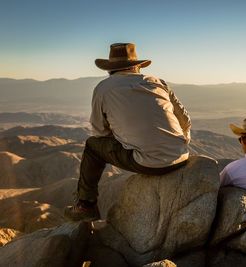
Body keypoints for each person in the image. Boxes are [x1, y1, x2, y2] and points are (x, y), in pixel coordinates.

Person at [65, 43, 191, 221]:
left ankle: (86, 206)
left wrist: (124, 133)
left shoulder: (103, 88)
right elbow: (185, 120)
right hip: (182, 156)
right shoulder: (158, 82)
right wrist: (177, 146)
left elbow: (99, 131)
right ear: (137, 66)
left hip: (148, 163)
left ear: (110, 70)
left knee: (92, 146)